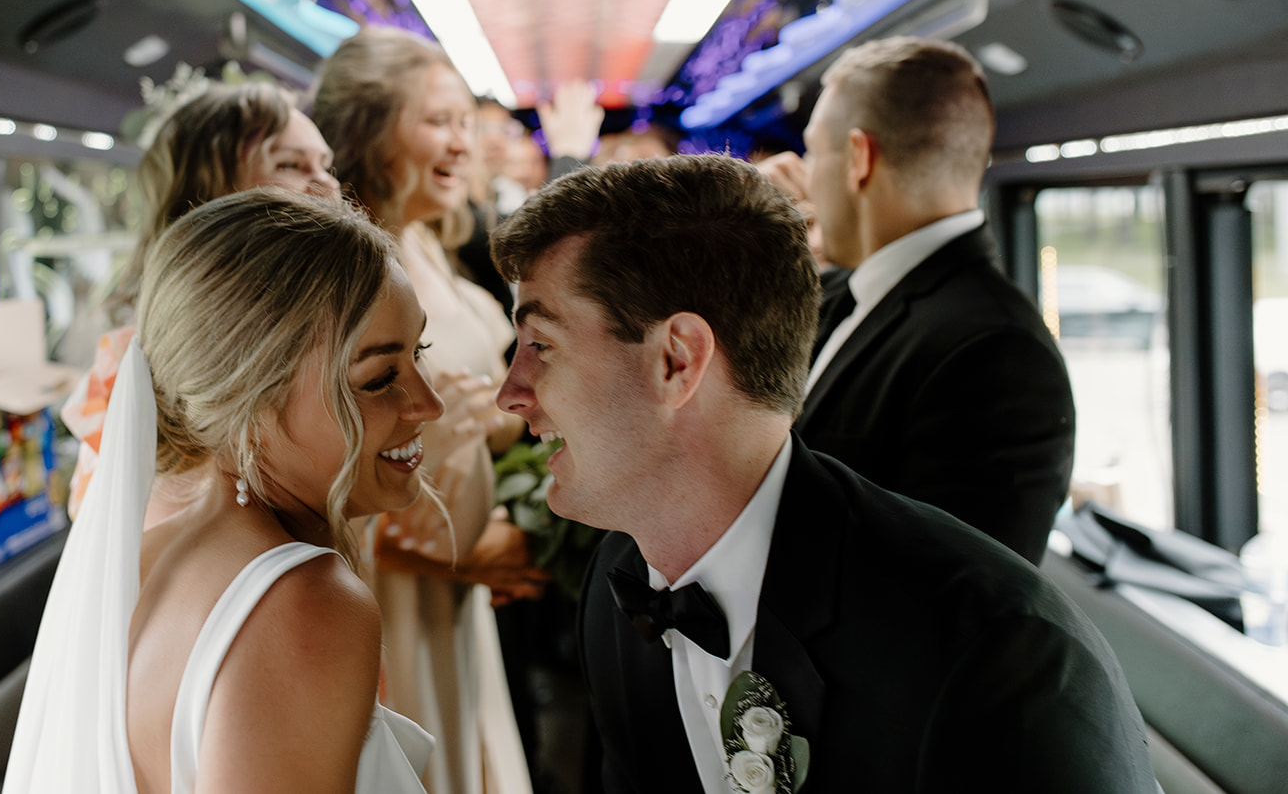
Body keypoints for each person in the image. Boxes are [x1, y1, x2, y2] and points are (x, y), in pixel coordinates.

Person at [490, 155, 1158, 794]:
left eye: (541, 345)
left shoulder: (1001, 661)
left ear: (676, 360)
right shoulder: (619, 590)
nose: (511, 393)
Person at [5, 190, 442, 793]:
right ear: (251, 403)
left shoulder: (144, 552)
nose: (429, 404)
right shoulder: (305, 603)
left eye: (418, 353)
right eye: (379, 378)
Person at [313, 26, 539, 794]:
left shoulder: (428, 244)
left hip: (455, 582)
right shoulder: (339, 269)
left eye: (464, 125)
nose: (461, 143)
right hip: (396, 585)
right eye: (438, 121)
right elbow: (319, 469)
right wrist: (452, 550)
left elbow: (468, 408)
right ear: (373, 130)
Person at [764, 36, 1074, 566]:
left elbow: (957, 604)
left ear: (859, 157)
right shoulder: (845, 293)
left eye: (815, 152)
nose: (804, 176)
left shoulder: (997, 352)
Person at [61, 79, 338, 520]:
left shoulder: (324, 309)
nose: (325, 184)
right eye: (291, 165)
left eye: (327, 165)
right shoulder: (146, 356)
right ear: (214, 197)